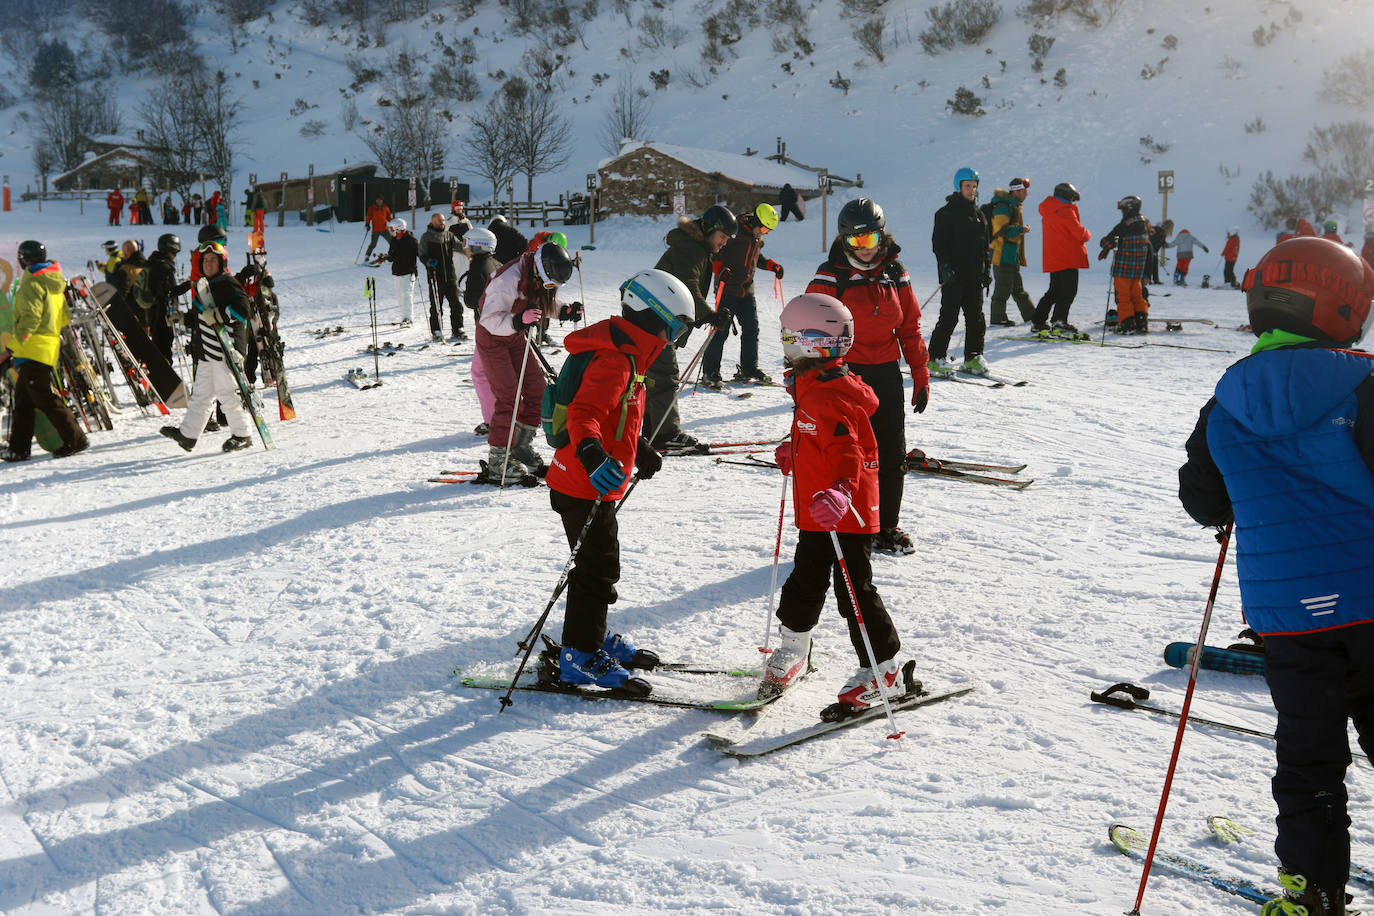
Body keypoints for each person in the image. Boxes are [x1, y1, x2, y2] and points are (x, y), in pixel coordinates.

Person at [1177, 237, 1374, 916]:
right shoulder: (1363, 384)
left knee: (1308, 759)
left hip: (1288, 614)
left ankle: (1311, 890)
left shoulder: (1226, 400)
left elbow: (1203, 499)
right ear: (1345, 305)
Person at [543, 269, 694, 692]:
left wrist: (640, 448)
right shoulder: (615, 358)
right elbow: (584, 414)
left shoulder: (629, 353)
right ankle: (581, 654)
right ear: (654, 317)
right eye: (675, 328)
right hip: (583, 483)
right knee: (596, 569)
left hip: (590, 481)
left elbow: (618, 415)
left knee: (597, 565)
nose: (673, 339)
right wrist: (592, 454)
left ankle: (591, 634)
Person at [760, 293, 905, 708]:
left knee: (854, 592)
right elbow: (820, 433)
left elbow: (848, 449)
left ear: (810, 342)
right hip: (819, 512)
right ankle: (795, 649)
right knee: (805, 579)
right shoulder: (814, 384)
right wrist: (797, 448)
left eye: (789, 336)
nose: (785, 344)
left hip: (846, 512)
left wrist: (841, 489)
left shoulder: (828, 393)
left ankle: (885, 670)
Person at [805, 197, 929, 556]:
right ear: (844, 241)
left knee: (891, 454)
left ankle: (885, 526)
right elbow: (808, 332)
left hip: (886, 373)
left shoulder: (895, 272)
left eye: (871, 240)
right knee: (846, 453)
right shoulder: (830, 276)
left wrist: (919, 372)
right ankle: (842, 522)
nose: (866, 249)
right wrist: (806, 382)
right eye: (857, 242)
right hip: (844, 376)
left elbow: (910, 326)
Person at [476, 241, 574, 482]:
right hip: (492, 338)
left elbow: (541, 300)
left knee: (536, 390)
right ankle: (499, 459)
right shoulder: (507, 280)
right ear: (542, 269)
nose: (551, 287)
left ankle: (520, 446)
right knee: (509, 396)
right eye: (551, 283)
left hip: (514, 337)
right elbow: (488, 319)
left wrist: (564, 311)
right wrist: (518, 320)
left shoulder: (535, 272)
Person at [648, 204, 737, 453]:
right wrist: (709, 315)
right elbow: (687, 288)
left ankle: (649, 428)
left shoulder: (694, 247)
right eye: (722, 237)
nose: (724, 244)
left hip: (654, 317)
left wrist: (708, 314)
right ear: (708, 230)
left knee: (652, 377)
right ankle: (666, 435)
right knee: (664, 376)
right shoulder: (691, 249)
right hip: (657, 318)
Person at [160, 240, 256, 453]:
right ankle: (188, 435)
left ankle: (242, 434)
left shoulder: (229, 283)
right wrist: (182, 318)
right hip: (206, 352)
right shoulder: (203, 286)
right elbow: (201, 319)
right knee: (201, 396)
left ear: (221, 263)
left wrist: (221, 315)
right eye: (205, 260)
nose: (208, 264)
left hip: (225, 351)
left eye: (213, 260)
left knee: (228, 394)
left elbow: (243, 309)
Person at [0, 240, 89, 462]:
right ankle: (18, 449)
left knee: (44, 399)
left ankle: (75, 439)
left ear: (23, 260)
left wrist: (10, 349)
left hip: (32, 350)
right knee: (22, 400)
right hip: (45, 348)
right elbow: (64, 317)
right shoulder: (54, 282)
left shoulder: (32, 284)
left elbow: (30, 320)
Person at [703, 202, 783, 387]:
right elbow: (717, 250)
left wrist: (773, 266)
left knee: (751, 328)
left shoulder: (756, 237)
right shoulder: (734, 230)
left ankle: (748, 368)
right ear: (755, 220)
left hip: (747, 289)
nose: (763, 232)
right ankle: (710, 372)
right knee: (720, 330)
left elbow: (757, 258)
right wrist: (718, 269)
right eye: (763, 228)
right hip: (728, 288)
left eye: (768, 231)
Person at [929, 166, 992, 375]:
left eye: (974, 186)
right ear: (959, 187)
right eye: (967, 186)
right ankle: (935, 358)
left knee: (976, 317)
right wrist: (945, 267)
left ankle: (973, 357)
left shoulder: (979, 216)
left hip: (974, 277)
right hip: (954, 277)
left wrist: (986, 271)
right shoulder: (946, 213)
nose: (971, 190)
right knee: (949, 317)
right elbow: (939, 244)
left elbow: (985, 247)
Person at [1031, 181, 1092, 336]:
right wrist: (1087, 233)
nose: (1072, 201)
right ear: (1066, 196)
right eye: (1071, 198)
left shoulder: (1049, 210)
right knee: (1068, 291)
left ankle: (1038, 321)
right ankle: (1059, 321)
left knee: (1054, 290)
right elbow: (1080, 234)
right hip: (1068, 257)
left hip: (1054, 257)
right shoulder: (1066, 211)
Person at [462, 227, 501, 437]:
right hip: (504, 326)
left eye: (468, 244)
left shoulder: (478, 267)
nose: (465, 248)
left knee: (481, 374)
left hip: (488, 330)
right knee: (501, 374)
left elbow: (472, 300)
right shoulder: (497, 263)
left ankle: (493, 420)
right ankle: (512, 415)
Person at [1099, 195, 1152, 334]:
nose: (1122, 213)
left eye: (1123, 209)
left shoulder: (1124, 225)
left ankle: (1127, 324)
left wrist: (1105, 245)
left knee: (1123, 298)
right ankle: (1141, 322)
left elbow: (1108, 241)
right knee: (1137, 295)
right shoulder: (1143, 222)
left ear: (1129, 208)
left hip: (1123, 268)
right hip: (1138, 269)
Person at [987, 178, 1036, 327]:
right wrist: (1021, 229)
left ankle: (1032, 316)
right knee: (1002, 289)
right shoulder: (1004, 207)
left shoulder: (1013, 206)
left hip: (1011, 257)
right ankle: (997, 319)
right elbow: (1000, 231)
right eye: (1024, 191)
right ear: (1016, 191)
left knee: (1018, 289)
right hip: (1002, 256)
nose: (1026, 194)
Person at [142, 233, 190, 365]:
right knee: (164, 347)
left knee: (159, 345)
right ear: (170, 250)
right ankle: (163, 371)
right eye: (174, 253)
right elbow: (170, 292)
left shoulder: (152, 262)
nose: (175, 256)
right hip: (162, 314)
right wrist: (190, 284)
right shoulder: (163, 267)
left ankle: (160, 368)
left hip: (152, 312)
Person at [420, 212, 465, 341]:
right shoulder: (426, 237)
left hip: (450, 276)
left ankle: (458, 329)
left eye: (444, 220)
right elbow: (422, 255)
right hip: (435, 276)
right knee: (436, 306)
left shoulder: (449, 235)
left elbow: (460, 246)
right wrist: (428, 262)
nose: (442, 223)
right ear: (433, 222)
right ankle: (436, 330)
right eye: (440, 221)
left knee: (456, 304)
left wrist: (470, 248)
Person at [373, 218, 418, 327]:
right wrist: (385, 257)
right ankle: (404, 317)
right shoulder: (394, 240)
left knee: (406, 295)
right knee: (400, 296)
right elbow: (392, 256)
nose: (390, 231)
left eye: (392, 229)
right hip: (397, 271)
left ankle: (408, 318)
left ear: (399, 228)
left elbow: (420, 253)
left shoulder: (411, 240)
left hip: (408, 272)